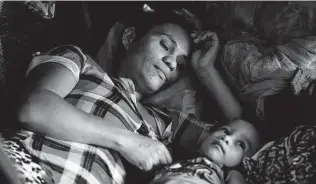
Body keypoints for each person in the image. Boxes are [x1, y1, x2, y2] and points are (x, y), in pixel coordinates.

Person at [1, 10, 242, 184]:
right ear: (128, 38)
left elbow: (240, 131)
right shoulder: (82, 62)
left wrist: (206, 71)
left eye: (180, 64)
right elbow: (34, 107)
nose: (171, 63)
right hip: (25, 164)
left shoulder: (164, 122)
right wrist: (128, 141)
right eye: (165, 46)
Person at [150, 119, 260, 184]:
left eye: (241, 144)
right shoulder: (183, 158)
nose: (227, 138)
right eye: (225, 130)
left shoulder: (231, 174)